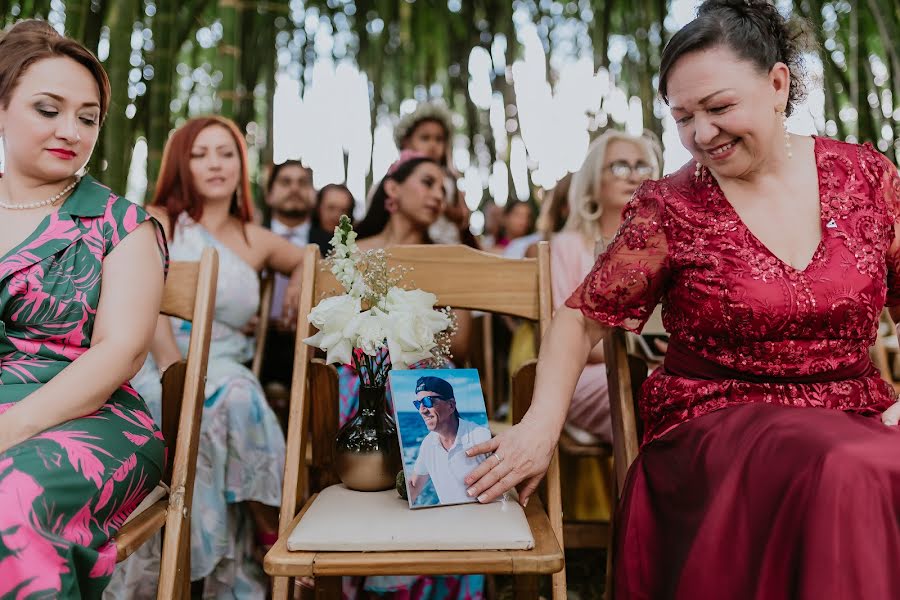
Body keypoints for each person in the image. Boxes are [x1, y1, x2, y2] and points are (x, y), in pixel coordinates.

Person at [465, 1, 900, 598]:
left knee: (859, 460)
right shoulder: (670, 205)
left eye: (720, 108)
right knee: (848, 467)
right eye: (683, 117)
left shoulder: (867, 177)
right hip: (718, 427)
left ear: (778, 84)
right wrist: (539, 428)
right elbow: (580, 319)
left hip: (858, 418)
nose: (701, 135)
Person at [0, 20, 166, 596]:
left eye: (87, 117)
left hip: (86, 419)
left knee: (11, 493)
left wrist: (12, 427)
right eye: (48, 109)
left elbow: (119, 354)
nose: (70, 130)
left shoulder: (123, 224)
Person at [108, 116, 304, 598]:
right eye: (200, 154)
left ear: (242, 163)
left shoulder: (256, 239)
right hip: (152, 362)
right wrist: (180, 372)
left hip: (226, 364)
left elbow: (309, 257)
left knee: (231, 395)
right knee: (193, 404)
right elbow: (144, 300)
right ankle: (265, 532)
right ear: (181, 164)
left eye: (226, 152)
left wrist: (299, 272)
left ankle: (245, 539)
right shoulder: (154, 219)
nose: (215, 164)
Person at [340, 151, 481, 600]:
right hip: (363, 382)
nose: (438, 194)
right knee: (385, 375)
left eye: (445, 187)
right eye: (427, 182)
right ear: (393, 190)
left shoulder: (449, 257)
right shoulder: (352, 253)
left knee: (426, 378)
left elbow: (459, 343)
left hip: (424, 376)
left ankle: (429, 568)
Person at [554, 130, 660, 445]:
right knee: (659, 390)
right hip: (586, 373)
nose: (633, 175)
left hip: (658, 364)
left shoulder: (663, 245)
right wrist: (641, 349)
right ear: (592, 182)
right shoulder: (568, 245)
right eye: (619, 166)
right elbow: (562, 333)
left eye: (642, 166)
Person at [259, 160, 315, 396]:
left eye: (302, 183)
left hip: (313, 345)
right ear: (269, 195)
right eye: (285, 182)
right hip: (256, 341)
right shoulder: (250, 237)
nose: (294, 188)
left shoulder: (334, 244)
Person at [394, 102, 477, 247]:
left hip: (448, 245)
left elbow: (462, 217)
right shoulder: (397, 177)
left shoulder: (449, 179)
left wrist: (444, 207)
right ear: (406, 142)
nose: (433, 145)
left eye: (439, 139)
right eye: (425, 138)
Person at [408, 376, 491, 506]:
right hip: (448, 520)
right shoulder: (427, 444)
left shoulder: (481, 437)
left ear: (451, 405)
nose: (422, 410)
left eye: (428, 401)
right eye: (418, 404)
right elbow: (414, 487)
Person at [308, 182, 355, 256]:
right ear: (318, 207)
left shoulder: (354, 245)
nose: (336, 215)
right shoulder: (300, 237)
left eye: (343, 210)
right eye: (331, 208)